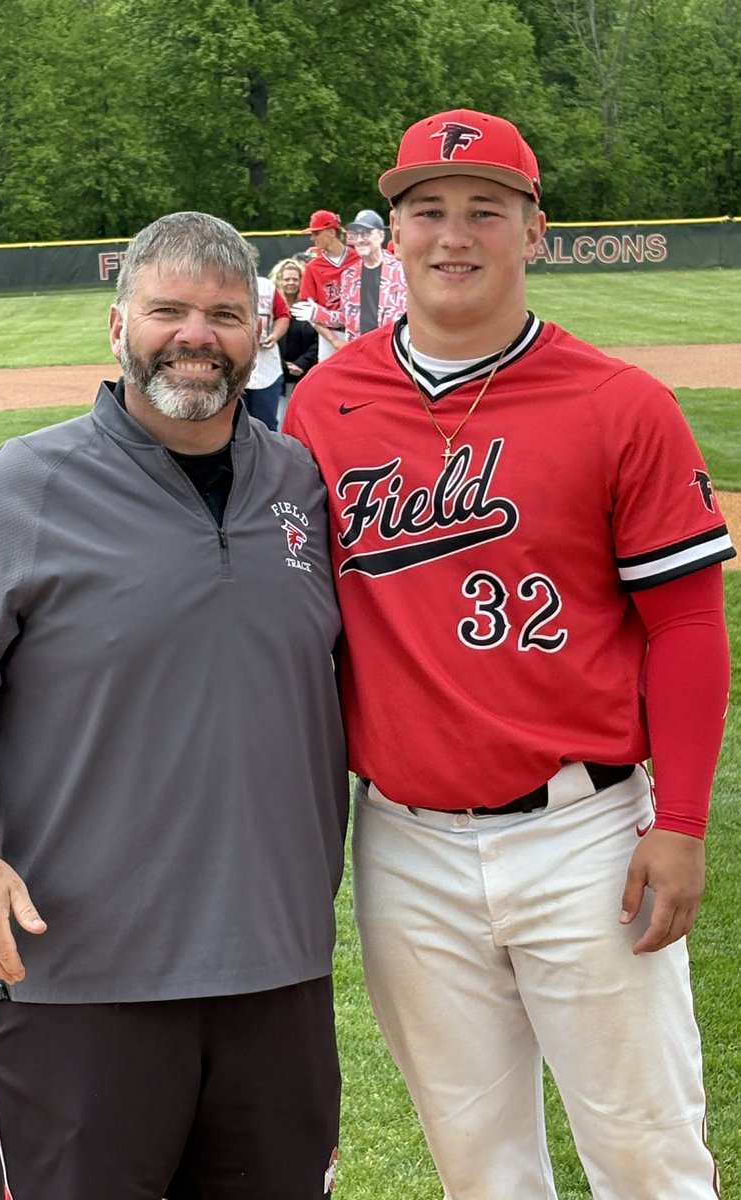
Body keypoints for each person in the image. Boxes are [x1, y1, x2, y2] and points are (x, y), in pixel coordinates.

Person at [284, 109, 733, 1198]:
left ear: (535, 231)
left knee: (647, 1156)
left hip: (585, 834)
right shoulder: (324, 406)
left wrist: (677, 825)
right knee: (478, 1167)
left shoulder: (621, 404)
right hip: (404, 843)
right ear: (390, 235)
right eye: (427, 210)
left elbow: (683, 625)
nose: (454, 235)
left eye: (486, 210)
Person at [0, 211, 349, 1200]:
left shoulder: (300, 485)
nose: (196, 335)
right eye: (168, 309)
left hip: (278, 969)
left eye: (224, 313)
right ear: (119, 323)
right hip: (83, 968)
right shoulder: (23, 488)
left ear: (257, 333)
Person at [294, 208, 407, 345]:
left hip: (393, 344)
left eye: (366, 234)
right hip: (355, 344)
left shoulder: (401, 269)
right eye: (356, 234)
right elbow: (346, 317)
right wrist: (317, 314)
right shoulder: (349, 275)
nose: (359, 239)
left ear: (380, 236)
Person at [298, 208, 358, 362]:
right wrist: (334, 340)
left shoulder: (360, 259)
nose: (312, 238)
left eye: (316, 233)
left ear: (332, 232)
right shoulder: (313, 267)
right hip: (330, 335)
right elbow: (309, 311)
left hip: (362, 331)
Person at [241, 245, 290, 430]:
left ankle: (267, 458)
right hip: (235, 364)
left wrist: (275, 335)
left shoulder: (266, 286)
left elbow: (283, 315)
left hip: (266, 365)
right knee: (234, 425)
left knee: (266, 424)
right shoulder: (222, 286)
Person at [269, 256, 318, 429]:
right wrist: (284, 366)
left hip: (304, 374)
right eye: (287, 279)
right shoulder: (270, 309)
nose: (291, 283)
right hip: (277, 375)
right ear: (279, 280)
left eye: (295, 279)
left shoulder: (309, 307)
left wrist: (301, 364)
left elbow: (318, 340)